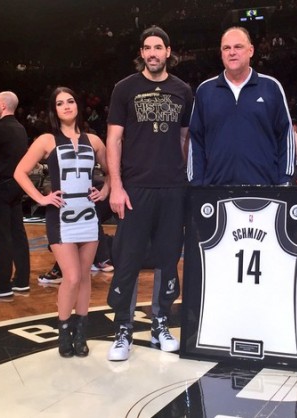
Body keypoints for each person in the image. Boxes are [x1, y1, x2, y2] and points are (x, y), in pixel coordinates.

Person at [106, 26, 193, 361]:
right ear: (141, 53)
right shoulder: (124, 88)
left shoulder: (183, 90)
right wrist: (116, 184)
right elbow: (114, 139)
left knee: (167, 260)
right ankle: (123, 328)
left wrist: (182, 179)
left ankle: (160, 322)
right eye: (147, 48)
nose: (153, 53)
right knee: (127, 260)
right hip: (135, 188)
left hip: (172, 188)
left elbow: (185, 140)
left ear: (168, 51)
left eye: (158, 47)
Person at [14, 87, 109, 357]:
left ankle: (81, 333)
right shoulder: (46, 139)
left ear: (77, 105)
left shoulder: (94, 140)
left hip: (89, 213)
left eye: (70, 101)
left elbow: (112, 172)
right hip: (61, 214)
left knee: (86, 279)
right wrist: (41, 198)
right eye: (60, 103)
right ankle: (64, 330)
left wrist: (104, 190)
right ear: (54, 110)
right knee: (73, 276)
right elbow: (20, 172)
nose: (66, 106)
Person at [187, 26, 294, 186]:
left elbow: (285, 136)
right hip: (215, 189)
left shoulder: (271, 87)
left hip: (264, 188)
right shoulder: (205, 90)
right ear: (221, 53)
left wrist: (284, 179)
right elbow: (196, 140)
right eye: (226, 48)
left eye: (238, 47)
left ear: (251, 50)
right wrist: (196, 183)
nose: (232, 52)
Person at [0, 91, 31, 298]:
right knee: (17, 232)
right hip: (17, 185)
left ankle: (3, 284)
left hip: (0, 186)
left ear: (2, 105)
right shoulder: (20, 128)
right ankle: (21, 280)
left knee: (1, 236)